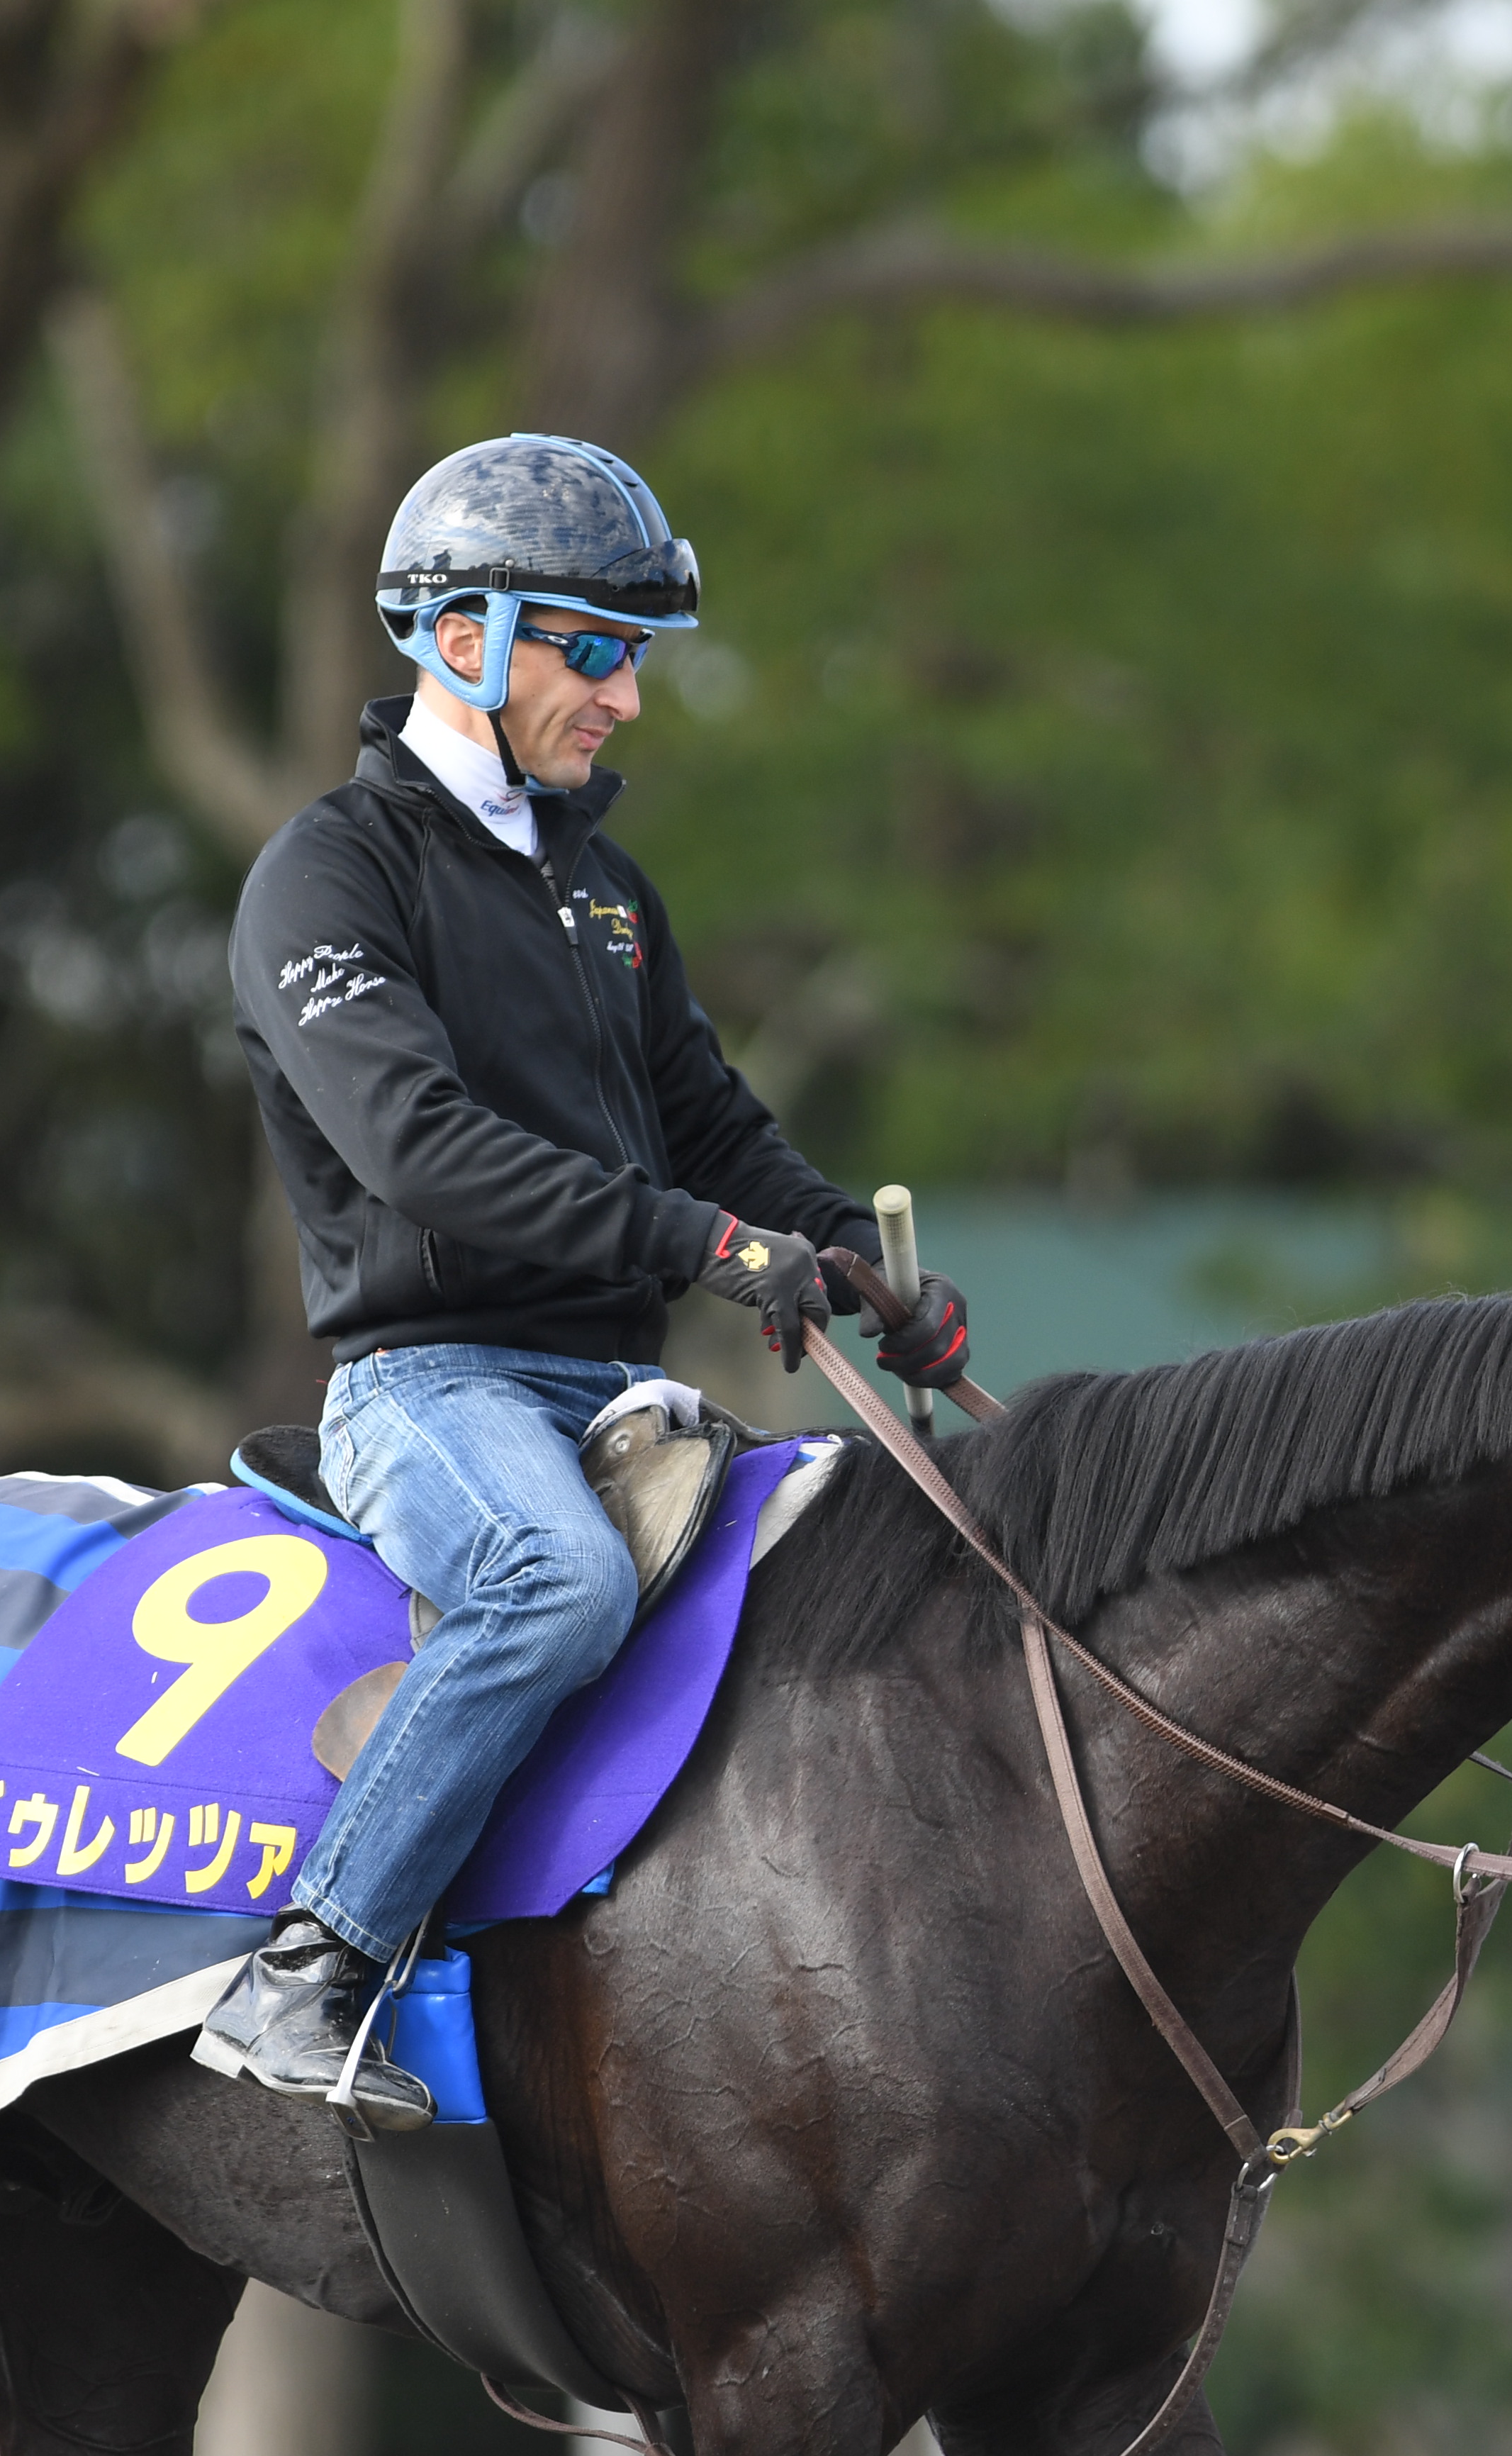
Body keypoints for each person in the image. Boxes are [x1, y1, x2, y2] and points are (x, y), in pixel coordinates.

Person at [201, 433, 978, 2128]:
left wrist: (850, 1256)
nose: (628, 698)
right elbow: (423, 1151)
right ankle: (312, 1963)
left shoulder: (605, 890)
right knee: (555, 1588)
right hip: (436, 1387)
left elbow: (711, 1125)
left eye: (639, 659)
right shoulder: (325, 878)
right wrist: (700, 1245)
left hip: (618, 1390)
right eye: (598, 650)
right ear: (462, 636)